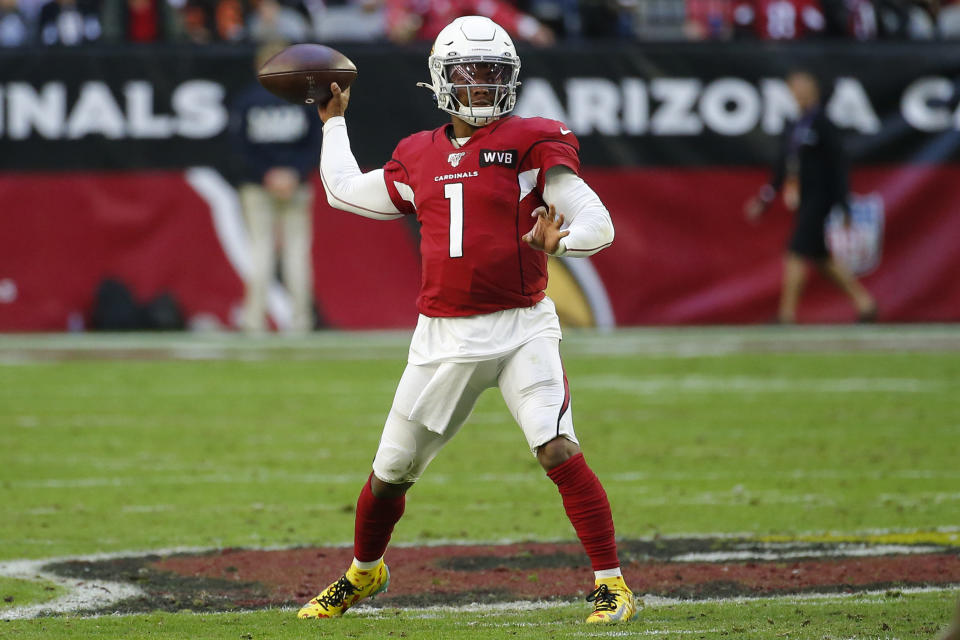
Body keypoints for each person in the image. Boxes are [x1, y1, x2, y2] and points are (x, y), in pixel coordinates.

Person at [297, 15, 637, 625]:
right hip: (442, 336)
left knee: (557, 448)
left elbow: (598, 223)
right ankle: (364, 571)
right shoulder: (417, 152)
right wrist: (333, 122)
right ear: (440, 80)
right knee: (389, 476)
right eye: (468, 75)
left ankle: (611, 583)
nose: (481, 87)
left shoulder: (533, 141)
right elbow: (345, 190)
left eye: (492, 75)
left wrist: (560, 244)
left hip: (522, 325)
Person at [745, 69, 877, 324]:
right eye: (794, 88)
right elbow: (783, 169)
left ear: (813, 89)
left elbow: (838, 167)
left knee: (795, 251)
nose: (798, 93)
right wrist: (765, 200)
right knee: (821, 258)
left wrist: (844, 205)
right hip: (803, 198)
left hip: (821, 198)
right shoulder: (794, 125)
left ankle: (786, 314)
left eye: (802, 87)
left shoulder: (824, 124)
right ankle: (866, 303)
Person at [228, 42, 319, 332]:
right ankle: (301, 322)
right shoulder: (302, 100)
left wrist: (266, 173)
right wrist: (293, 173)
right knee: (296, 253)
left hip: (259, 184)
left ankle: (255, 322)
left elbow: (238, 148)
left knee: (261, 252)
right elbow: (316, 143)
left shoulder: (247, 100)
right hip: (292, 184)